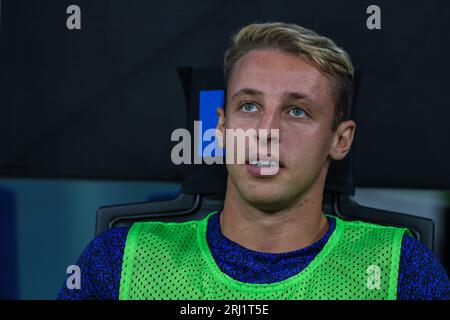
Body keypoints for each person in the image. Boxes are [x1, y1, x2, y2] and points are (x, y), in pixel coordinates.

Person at [58, 22, 450, 300]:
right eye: (249, 106)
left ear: (340, 139)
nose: (266, 130)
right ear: (222, 127)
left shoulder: (403, 270)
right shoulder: (119, 259)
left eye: (297, 111)